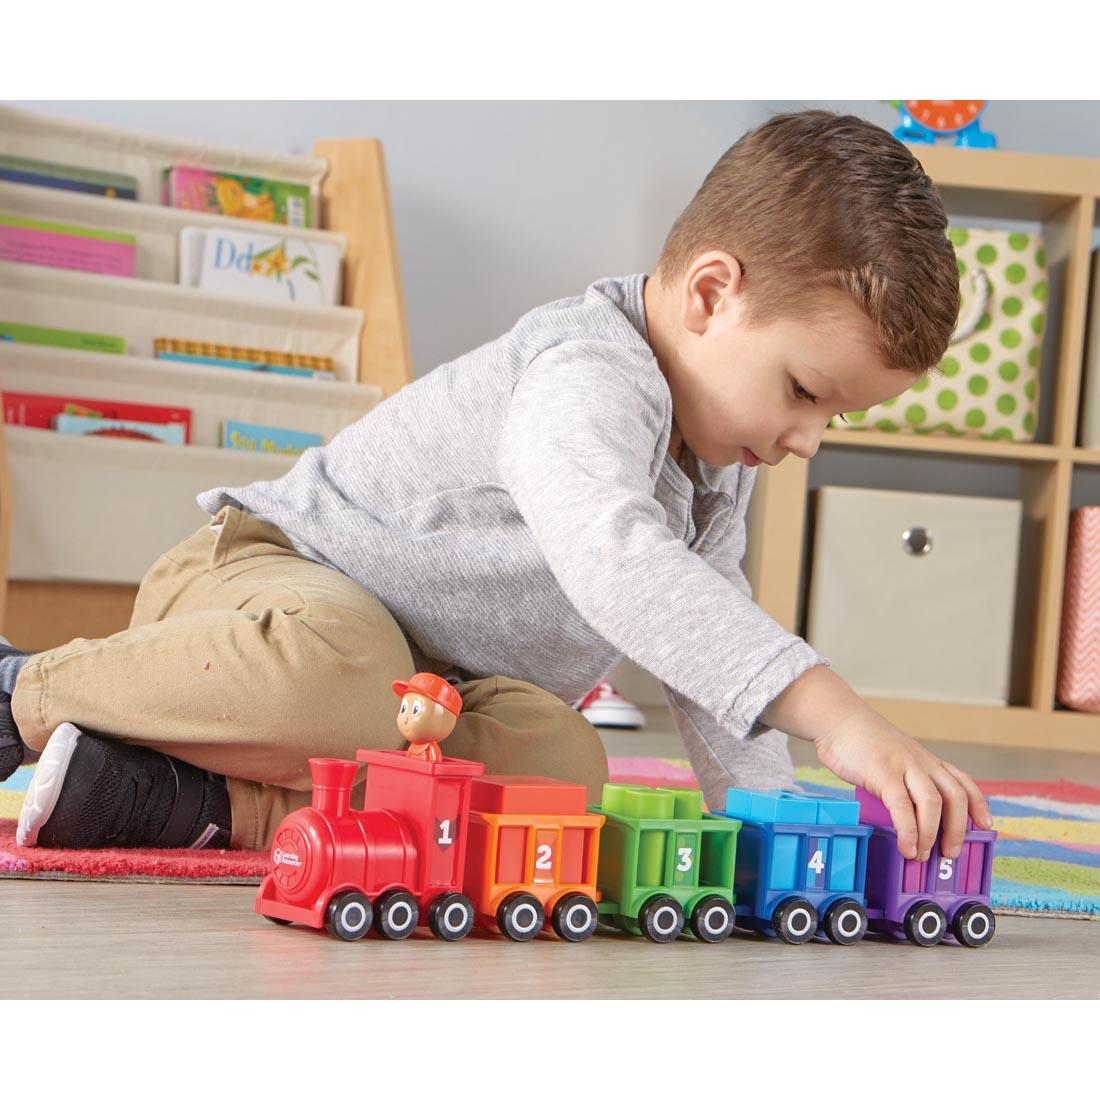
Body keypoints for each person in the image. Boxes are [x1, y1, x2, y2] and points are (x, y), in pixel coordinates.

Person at [0, 109, 992, 862]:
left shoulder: (712, 467)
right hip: (267, 584)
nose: (808, 439)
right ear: (707, 295)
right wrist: (834, 712)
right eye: (803, 392)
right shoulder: (584, 372)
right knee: (341, 677)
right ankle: (24, 688)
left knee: (564, 767)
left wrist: (768, 839)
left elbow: (703, 648)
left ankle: (183, 800)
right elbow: (619, 565)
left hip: (430, 696)